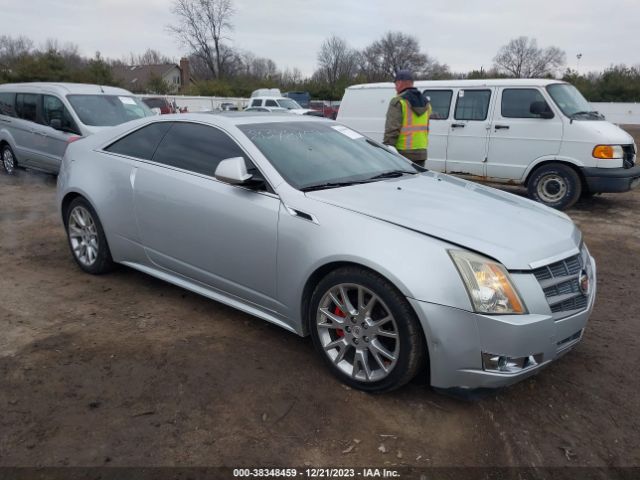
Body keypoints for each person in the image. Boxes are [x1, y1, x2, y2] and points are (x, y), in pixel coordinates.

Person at [383, 70, 431, 166]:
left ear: (400, 82)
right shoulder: (426, 102)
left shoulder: (398, 101)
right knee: (417, 180)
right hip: (421, 152)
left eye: (396, 84)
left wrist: (387, 148)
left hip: (402, 153)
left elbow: (392, 128)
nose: (395, 88)